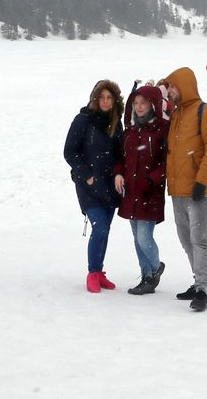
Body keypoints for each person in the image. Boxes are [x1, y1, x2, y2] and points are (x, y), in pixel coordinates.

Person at [160, 67, 207, 312]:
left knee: (199, 239)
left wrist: (201, 181)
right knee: (186, 240)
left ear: (184, 86)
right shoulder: (175, 114)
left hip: (197, 190)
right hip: (177, 190)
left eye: (173, 87)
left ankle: (202, 289)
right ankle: (200, 282)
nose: (170, 92)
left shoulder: (205, 112)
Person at [63, 80, 123, 293]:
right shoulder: (83, 120)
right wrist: (87, 175)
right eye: (102, 97)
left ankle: (99, 271)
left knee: (105, 230)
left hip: (109, 185)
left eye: (109, 98)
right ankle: (92, 273)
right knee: (100, 227)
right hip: (88, 186)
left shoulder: (116, 122)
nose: (106, 102)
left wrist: (118, 172)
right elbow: (69, 152)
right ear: (95, 98)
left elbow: (119, 154)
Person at [115, 84, 168, 295]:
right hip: (131, 193)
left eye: (143, 103)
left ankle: (155, 268)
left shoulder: (162, 129)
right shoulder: (130, 130)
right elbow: (120, 158)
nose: (138, 107)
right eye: (135, 103)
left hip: (149, 194)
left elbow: (167, 162)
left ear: (152, 104)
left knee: (144, 238)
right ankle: (146, 276)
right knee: (136, 238)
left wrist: (151, 180)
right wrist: (118, 173)